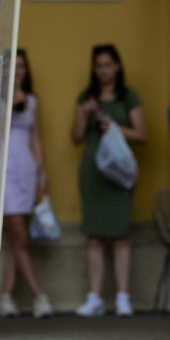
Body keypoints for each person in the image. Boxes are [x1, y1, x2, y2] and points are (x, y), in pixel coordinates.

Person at [72, 43, 144, 318]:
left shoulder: (128, 97)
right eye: (99, 65)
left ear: (118, 66)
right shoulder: (86, 97)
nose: (104, 70)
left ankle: (123, 297)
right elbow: (76, 137)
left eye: (108, 65)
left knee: (121, 236)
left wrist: (115, 127)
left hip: (120, 174)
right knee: (94, 237)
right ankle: (95, 297)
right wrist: (84, 114)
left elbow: (142, 135)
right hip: (94, 172)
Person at [0, 48, 51, 318]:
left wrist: (42, 173)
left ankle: (6, 297)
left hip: (27, 170)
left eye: (21, 66)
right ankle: (39, 296)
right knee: (20, 237)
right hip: (5, 169)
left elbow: (36, 138)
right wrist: (8, 104)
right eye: (13, 66)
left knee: (17, 239)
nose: (17, 71)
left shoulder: (33, 101)